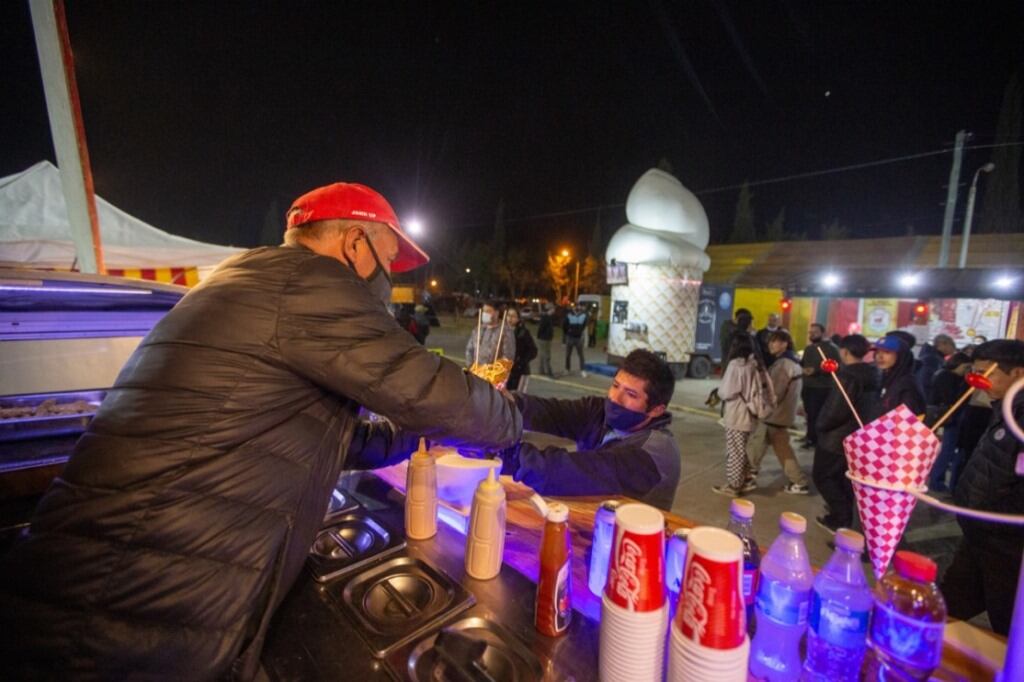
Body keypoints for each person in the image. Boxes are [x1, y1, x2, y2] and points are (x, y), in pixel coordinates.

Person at [0, 182, 523, 679]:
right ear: (355, 243)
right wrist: (507, 415)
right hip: (117, 609)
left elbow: (316, 431)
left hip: (89, 585)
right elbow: (439, 393)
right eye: (386, 262)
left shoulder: (246, 278)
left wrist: (410, 438)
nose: (387, 280)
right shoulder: (310, 283)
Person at [500, 349, 680, 510]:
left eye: (631, 394)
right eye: (616, 385)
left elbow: (568, 472)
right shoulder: (600, 411)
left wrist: (503, 455)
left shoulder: (654, 453)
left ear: (657, 410)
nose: (615, 398)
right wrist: (503, 403)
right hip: (590, 521)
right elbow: (551, 412)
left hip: (629, 540)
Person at [941, 340, 1024, 636]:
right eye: (974, 372)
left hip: (1007, 546)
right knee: (945, 608)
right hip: (980, 536)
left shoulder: (1019, 416)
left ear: (1017, 373)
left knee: (1010, 626)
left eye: (986, 373)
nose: (979, 380)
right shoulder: (1004, 408)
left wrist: (993, 518)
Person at [812, 334, 881, 533]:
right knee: (842, 478)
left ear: (844, 351)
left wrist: (820, 426)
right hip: (858, 435)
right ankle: (843, 513)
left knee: (823, 476)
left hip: (836, 438)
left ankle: (840, 517)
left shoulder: (848, 376)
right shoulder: (873, 374)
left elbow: (835, 409)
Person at [746, 329, 810, 494]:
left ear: (784, 344)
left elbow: (775, 392)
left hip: (774, 414)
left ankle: (747, 477)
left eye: (775, 341)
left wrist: (760, 408)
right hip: (782, 414)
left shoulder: (783, 364)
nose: (771, 344)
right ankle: (798, 481)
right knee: (771, 447)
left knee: (764, 447)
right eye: (770, 341)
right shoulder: (792, 362)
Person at [712, 334, 764, 497]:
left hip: (737, 414)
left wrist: (719, 392)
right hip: (750, 413)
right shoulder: (754, 364)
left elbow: (726, 391)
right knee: (743, 450)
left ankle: (734, 485)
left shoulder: (736, 365)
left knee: (735, 451)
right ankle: (747, 479)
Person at [926, 352, 971, 492]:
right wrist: (966, 385)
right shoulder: (948, 377)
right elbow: (952, 399)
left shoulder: (942, 374)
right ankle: (936, 481)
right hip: (948, 417)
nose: (967, 370)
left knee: (945, 449)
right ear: (957, 364)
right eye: (966, 367)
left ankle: (935, 479)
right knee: (947, 450)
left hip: (944, 416)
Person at [800, 323, 840, 448]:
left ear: (823, 333)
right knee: (809, 414)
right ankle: (810, 436)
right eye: (810, 332)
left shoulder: (831, 348)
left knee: (817, 414)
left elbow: (835, 366)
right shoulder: (809, 348)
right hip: (808, 385)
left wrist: (816, 370)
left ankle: (816, 439)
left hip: (822, 387)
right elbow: (803, 363)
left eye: (815, 332)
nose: (812, 334)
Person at [873, 334, 927, 416]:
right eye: (877, 352)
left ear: (901, 355)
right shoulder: (887, 379)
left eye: (887, 352)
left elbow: (908, 420)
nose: (879, 356)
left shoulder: (907, 385)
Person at [465, 301, 515, 368]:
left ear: (496, 313)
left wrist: (496, 371)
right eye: (484, 311)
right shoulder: (478, 329)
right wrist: (470, 365)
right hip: (476, 372)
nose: (485, 314)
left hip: (493, 374)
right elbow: (469, 349)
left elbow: (508, 356)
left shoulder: (505, 331)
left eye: (488, 311)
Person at [505, 307, 538, 392]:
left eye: (513, 316)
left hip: (520, 372)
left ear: (518, 318)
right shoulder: (502, 331)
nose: (510, 318)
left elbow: (533, 351)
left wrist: (521, 362)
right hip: (505, 371)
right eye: (508, 315)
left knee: (517, 398)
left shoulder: (523, 332)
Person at [916, 334, 956, 398]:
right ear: (943, 344)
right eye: (952, 345)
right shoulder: (932, 359)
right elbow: (924, 382)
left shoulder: (933, 358)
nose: (954, 349)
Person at [564, 304, 588, 376]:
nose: (577, 308)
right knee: (568, 355)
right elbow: (564, 325)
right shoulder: (569, 315)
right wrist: (568, 332)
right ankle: (567, 369)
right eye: (575, 307)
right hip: (570, 337)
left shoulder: (583, 316)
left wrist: (580, 332)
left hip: (578, 338)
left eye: (578, 307)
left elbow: (584, 326)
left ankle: (582, 370)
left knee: (581, 355)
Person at [536, 304, 555, 377]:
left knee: (542, 355)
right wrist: (540, 336)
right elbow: (541, 328)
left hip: (545, 338)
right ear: (550, 309)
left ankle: (541, 370)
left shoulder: (548, 317)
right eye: (553, 309)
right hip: (544, 339)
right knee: (547, 355)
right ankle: (549, 371)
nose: (554, 311)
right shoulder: (546, 318)